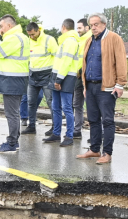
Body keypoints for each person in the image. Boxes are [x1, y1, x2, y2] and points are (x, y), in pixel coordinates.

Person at [77, 13, 127, 164]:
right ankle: (94, 149)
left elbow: (121, 61)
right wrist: (85, 85)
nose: (93, 27)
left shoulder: (113, 38)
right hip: (90, 86)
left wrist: (120, 84)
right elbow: (86, 63)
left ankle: (107, 153)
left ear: (104, 24)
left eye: (96, 24)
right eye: (91, 25)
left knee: (107, 121)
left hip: (107, 87)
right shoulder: (89, 40)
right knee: (93, 120)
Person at [0, 14, 30, 154]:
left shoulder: (13, 38)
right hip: (17, 79)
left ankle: (12, 143)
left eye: (1, 26)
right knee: (14, 113)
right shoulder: (22, 37)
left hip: (12, 80)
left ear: (9, 25)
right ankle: (15, 141)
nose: (0, 29)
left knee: (11, 114)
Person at [44, 19, 80, 147]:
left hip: (65, 77)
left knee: (66, 108)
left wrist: (59, 79)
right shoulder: (65, 40)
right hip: (58, 75)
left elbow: (66, 62)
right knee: (56, 107)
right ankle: (56, 133)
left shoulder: (70, 41)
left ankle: (69, 136)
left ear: (63, 27)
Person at [21, 23, 57, 137]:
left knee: (51, 102)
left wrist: (56, 76)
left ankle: (55, 127)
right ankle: (31, 126)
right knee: (31, 102)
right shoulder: (28, 41)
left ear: (38, 31)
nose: (31, 37)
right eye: (29, 35)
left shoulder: (49, 40)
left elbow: (57, 57)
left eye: (33, 34)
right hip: (33, 76)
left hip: (47, 75)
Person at [73, 18, 89, 139]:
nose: (77, 30)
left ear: (86, 28)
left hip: (87, 76)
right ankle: (77, 130)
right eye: (77, 28)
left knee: (92, 105)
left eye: (80, 28)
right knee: (77, 104)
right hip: (78, 77)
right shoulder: (78, 40)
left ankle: (97, 133)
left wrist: (81, 71)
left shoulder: (91, 39)